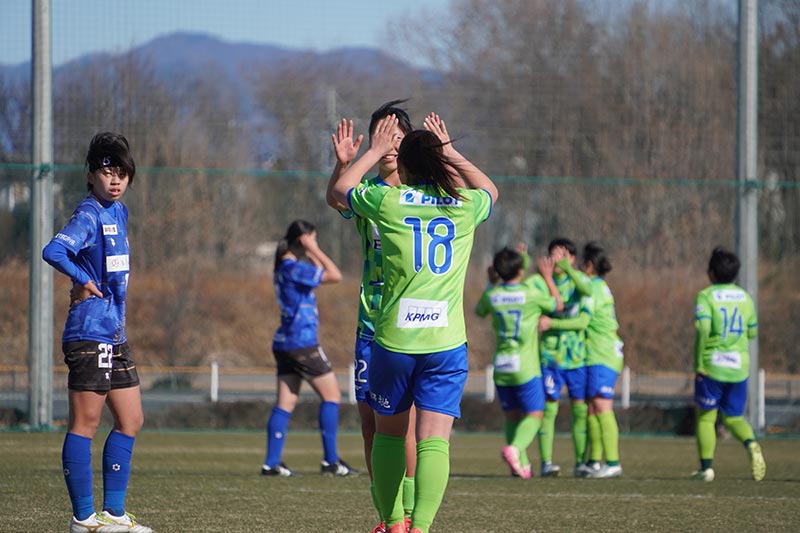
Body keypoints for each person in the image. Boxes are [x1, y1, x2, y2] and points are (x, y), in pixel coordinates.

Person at [331, 112, 498, 533]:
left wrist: (372, 151)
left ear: (402, 167)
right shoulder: (464, 207)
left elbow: (341, 189)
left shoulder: (389, 202)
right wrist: (451, 152)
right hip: (446, 344)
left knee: (387, 436)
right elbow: (491, 189)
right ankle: (420, 527)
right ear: (439, 165)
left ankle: (393, 524)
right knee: (434, 442)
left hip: (394, 340)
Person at [42, 131, 152, 533]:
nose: (115, 179)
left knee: (131, 419)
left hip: (114, 332)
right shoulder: (88, 213)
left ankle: (114, 515)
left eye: (122, 172)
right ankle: (84, 519)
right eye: (107, 172)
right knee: (85, 424)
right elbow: (54, 250)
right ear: (90, 176)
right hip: (90, 331)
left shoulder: (119, 212)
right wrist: (81, 279)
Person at [326, 100, 417, 533]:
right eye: (384, 138)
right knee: (370, 425)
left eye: (398, 138)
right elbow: (336, 197)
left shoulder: (422, 192)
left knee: (405, 426)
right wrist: (344, 163)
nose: (391, 146)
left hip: (411, 326)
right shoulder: (368, 193)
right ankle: (387, 516)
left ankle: (410, 514)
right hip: (370, 325)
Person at [261, 220, 358, 478]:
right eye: (313, 238)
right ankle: (331, 461)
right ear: (302, 240)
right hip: (302, 343)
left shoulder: (284, 267)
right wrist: (314, 249)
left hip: (285, 342)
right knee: (332, 396)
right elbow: (335, 275)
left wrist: (310, 250)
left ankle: (271, 464)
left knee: (286, 402)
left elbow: (319, 275)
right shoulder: (294, 267)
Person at [476, 246, 562, 479]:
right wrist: (547, 277)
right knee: (535, 415)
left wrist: (491, 282)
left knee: (512, 417)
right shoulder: (529, 294)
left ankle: (522, 466)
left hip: (501, 366)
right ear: (521, 270)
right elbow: (557, 305)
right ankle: (515, 450)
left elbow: (479, 310)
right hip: (525, 367)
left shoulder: (493, 295)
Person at [691, 246, 766, 482]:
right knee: (734, 418)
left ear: (711, 272)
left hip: (712, 365)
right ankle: (751, 443)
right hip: (739, 368)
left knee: (706, 418)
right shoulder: (745, 298)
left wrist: (698, 362)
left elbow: (703, 329)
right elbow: (752, 333)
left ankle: (706, 469)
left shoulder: (706, 296)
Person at [534, 238, 593, 477]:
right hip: (550, 357)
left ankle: (580, 463)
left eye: (563, 255)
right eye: (554, 255)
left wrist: (554, 324)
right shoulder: (541, 284)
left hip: (576, 358)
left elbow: (583, 318)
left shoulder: (580, 283)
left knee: (580, 411)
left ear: (572, 259)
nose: (557, 260)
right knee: (549, 411)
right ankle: (546, 463)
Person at [573, 242, 625, 478]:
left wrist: (551, 323)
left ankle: (613, 462)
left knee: (602, 406)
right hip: (598, 353)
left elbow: (583, 322)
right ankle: (594, 461)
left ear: (588, 265)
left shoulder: (593, 287)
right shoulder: (599, 286)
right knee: (593, 407)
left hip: (603, 353)